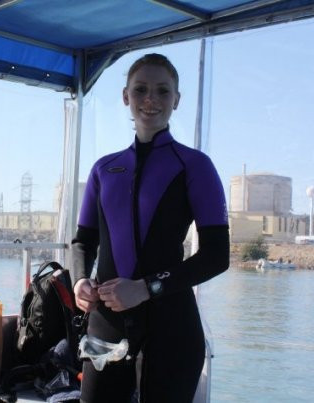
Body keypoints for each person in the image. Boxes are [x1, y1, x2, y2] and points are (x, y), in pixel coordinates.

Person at [71, 53, 230, 403]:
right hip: (107, 321)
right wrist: (80, 280)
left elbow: (217, 256)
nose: (150, 99)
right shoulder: (103, 169)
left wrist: (145, 288)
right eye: (140, 89)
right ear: (125, 96)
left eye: (162, 91)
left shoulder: (195, 166)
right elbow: (83, 241)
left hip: (171, 323)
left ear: (177, 99)